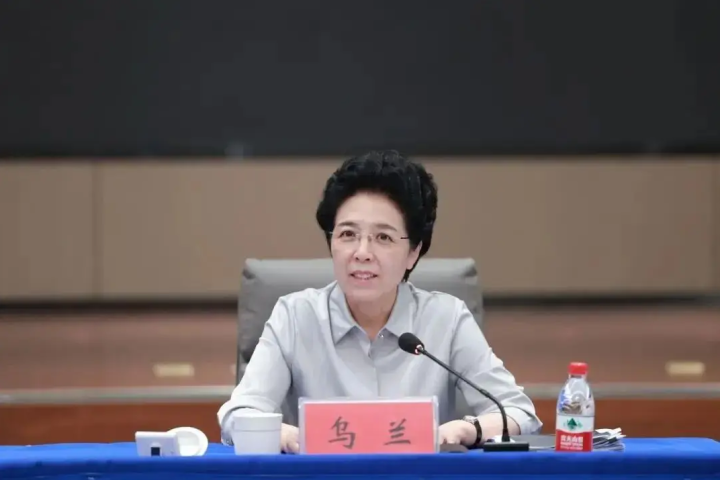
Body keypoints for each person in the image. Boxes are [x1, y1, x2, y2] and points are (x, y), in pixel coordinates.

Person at [217, 150, 542, 452]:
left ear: (414, 251)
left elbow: (517, 412)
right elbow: (238, 415)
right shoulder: (295, 317)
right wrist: (292, 437)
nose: (362, 253)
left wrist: (466, 428)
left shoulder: (446, 319)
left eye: (383, 237)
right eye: (348, 234)